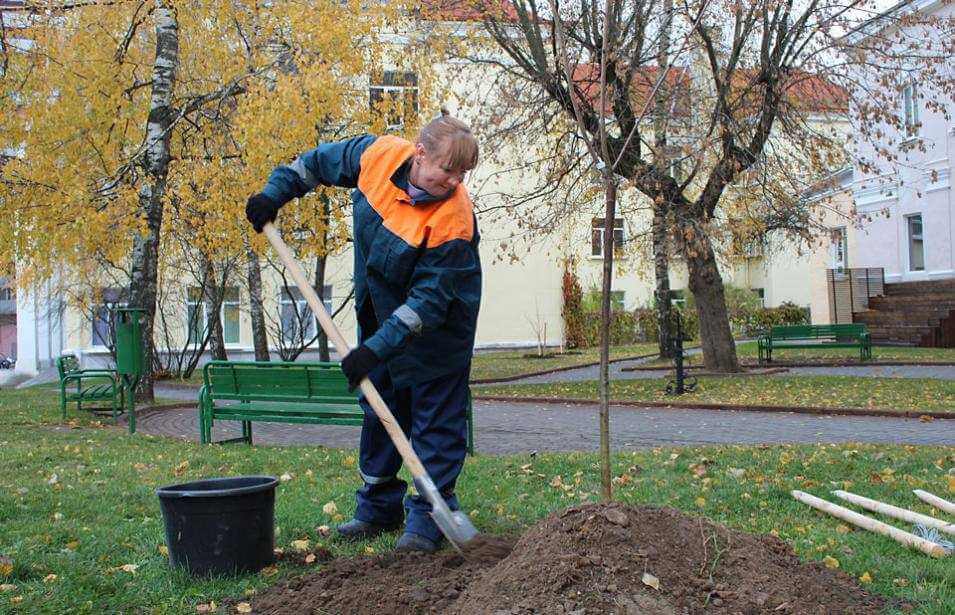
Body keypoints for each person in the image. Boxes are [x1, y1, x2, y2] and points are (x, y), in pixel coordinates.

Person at [246, 115, 482, 553]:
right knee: (380, 409)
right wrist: (273, 194)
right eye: (446, 170)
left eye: (462, 174)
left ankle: (429, 519)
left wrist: (374, 350)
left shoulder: (454, 219)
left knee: (434, 420)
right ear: (420, 153)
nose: (453, 182)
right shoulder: (377, 156)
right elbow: (314, 164)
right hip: (379, 313)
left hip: (439, 332)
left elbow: (427, 305)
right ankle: (377, 508)